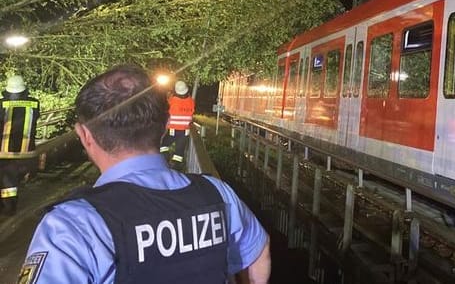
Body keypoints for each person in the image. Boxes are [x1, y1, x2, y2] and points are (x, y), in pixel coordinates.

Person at [19, 64, 270, 284]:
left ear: (84, 135)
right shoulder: (216, 192)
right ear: (164, 126)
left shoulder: (73, 224)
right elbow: (259, 252)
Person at [0, 75, 40, 216]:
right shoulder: (35, 103)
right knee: (11, 178)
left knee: (7, 179)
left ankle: (8, 209)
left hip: (5, 151)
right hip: (27, 150)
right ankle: (9, 206)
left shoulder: (1, 104)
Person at [160, 80, 195, 167]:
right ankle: (176, 167)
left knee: (164, 145)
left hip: (173, 129)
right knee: (179, 152)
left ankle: (165, 160)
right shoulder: (191, 101)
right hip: (185, 131)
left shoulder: (173, 100)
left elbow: (166, 107)